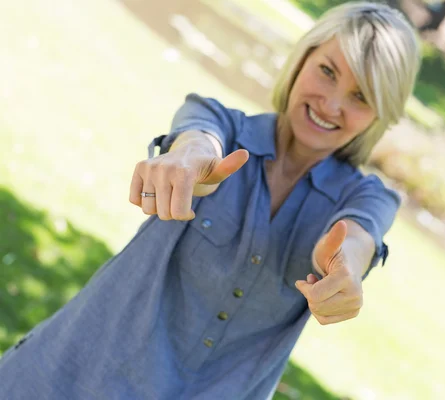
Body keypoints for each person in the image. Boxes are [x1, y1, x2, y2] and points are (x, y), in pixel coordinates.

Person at [0, 2, 420, 399]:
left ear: (381, 113)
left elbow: (360, 235)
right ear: (301, 61)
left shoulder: (369, 197)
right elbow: (198, 139)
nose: (331, 104)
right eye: (327, 71)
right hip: (69, 378)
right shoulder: (218, 122)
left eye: (361, 96)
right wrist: (186, 159)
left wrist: (344, 269)